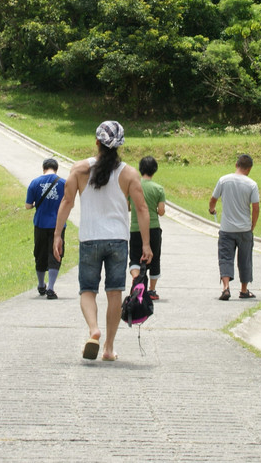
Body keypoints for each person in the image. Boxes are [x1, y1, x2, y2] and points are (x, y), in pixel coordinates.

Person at [53, 120, 151, 361]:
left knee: (87, 289)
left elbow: (67, 202)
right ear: (119, 145)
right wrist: (146, 244)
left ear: (97, 142)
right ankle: (108, 348)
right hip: (118, 240)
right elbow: (141, 208)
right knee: (114, 293)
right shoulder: (129, 173)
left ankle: (93, 329)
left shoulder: (79, 169)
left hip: (90, 239)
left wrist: (58, 234)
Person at [208, 153, 260, 301]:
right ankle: (244, 290)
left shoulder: (223, 180)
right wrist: (252, 225)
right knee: (245, 259)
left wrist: (212, 210)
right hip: (244, 229)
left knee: (225, 258)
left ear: (236, 165)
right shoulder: (251, 184)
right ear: (249, 169)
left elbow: (213, 200)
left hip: (226, 229)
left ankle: (226, 288)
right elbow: (256, 208)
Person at [25, 158, 66, 299]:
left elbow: (28, 205)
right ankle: (51, 287)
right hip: (58, 225)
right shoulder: (63, 183)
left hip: (40, 223)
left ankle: (41, 284)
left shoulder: (35, 183)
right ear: (56, 169)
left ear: (43, 168)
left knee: (40, 254)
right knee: (56, 254)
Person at [129, 155, 165, 300]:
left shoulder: (133, 187)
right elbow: (161, 211)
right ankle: (151, 290)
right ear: (154, 170)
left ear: (140, 169)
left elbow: (128, 207)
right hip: (154, 228)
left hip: (136, 228)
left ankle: (137, 282)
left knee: (135, 258)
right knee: (155, 258)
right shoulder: (158, 189)